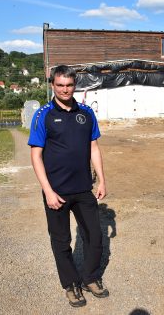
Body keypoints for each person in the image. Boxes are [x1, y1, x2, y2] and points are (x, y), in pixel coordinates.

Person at [28, 65, 109, 308]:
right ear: (52, 85)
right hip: (57, 192)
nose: (65, 89)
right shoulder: (43, 114)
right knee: (61, 241)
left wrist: (102, 179)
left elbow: (94, 147)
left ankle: (90, 278)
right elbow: (36, 155)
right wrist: (48, 191)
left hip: (84, 188)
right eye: (60, 85)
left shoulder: (86, 113)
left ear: (75, 85)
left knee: (95, 236)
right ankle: (71, 284)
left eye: (69, 85)